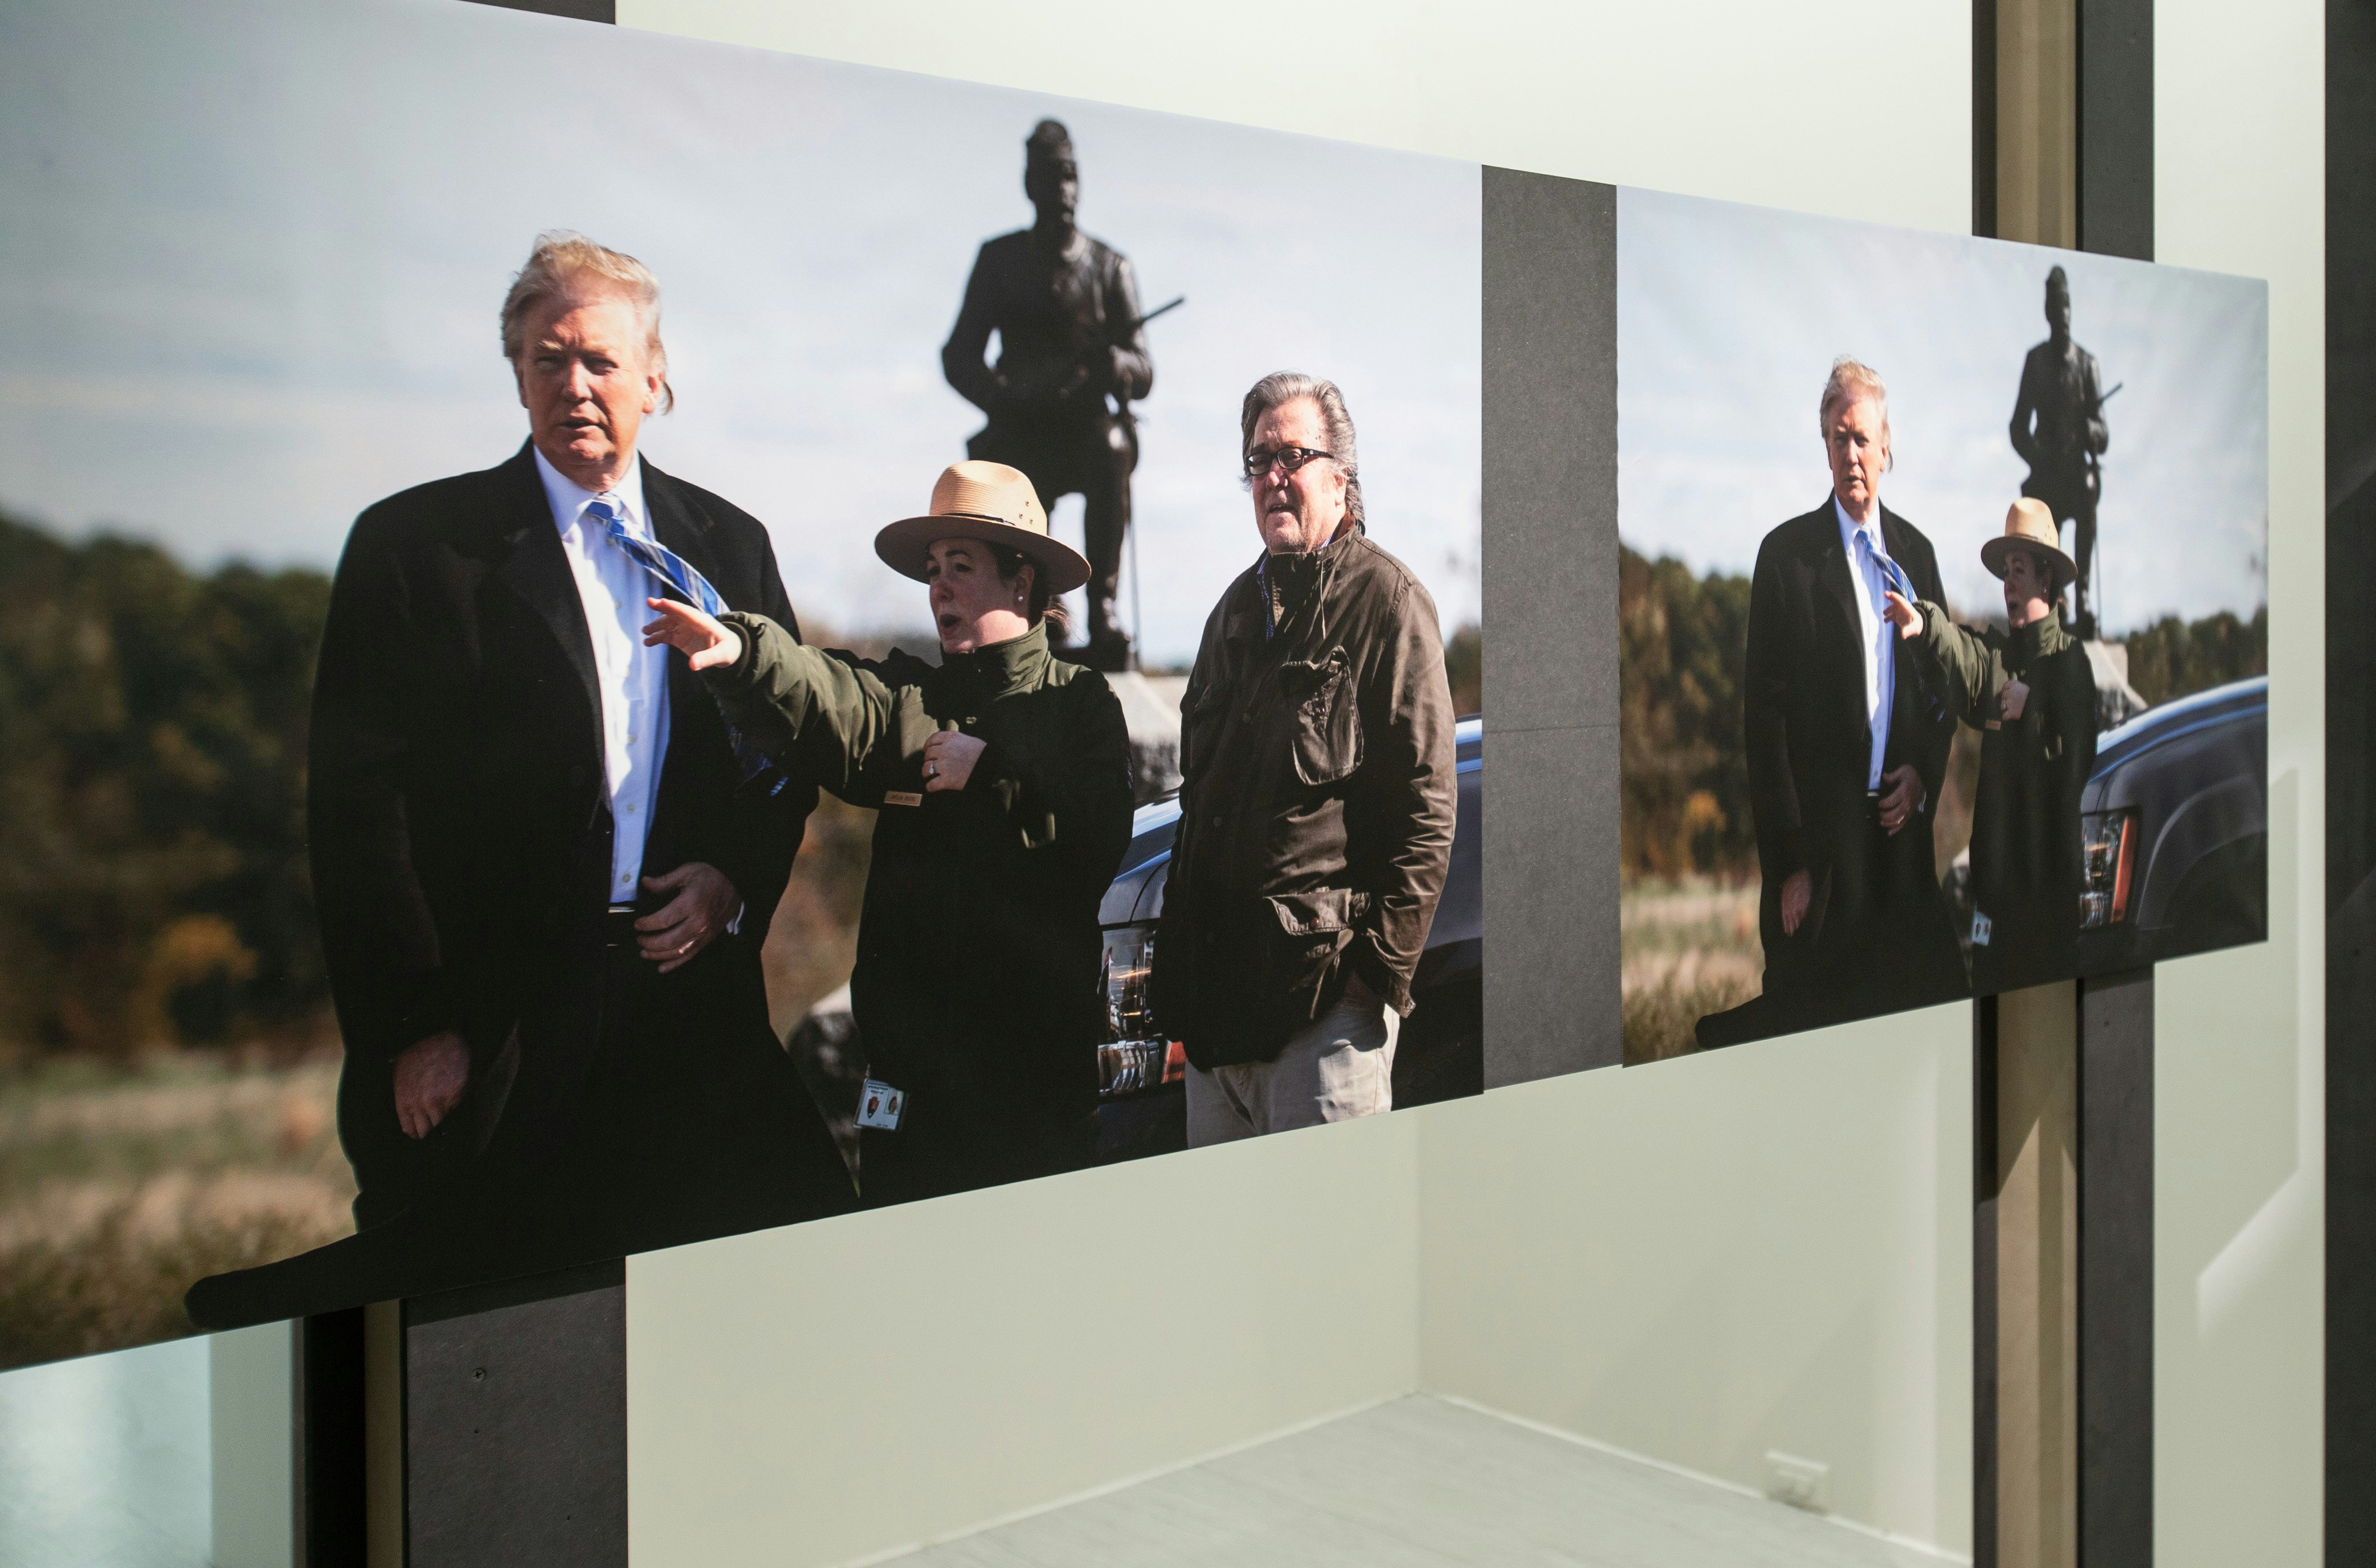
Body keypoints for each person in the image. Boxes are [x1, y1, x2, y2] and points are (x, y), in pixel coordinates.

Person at [189, 234, 848, 1326]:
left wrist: (732, 877)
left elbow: (786, 753)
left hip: (684, 1014)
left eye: (598, 360)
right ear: (516, 376)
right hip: (493, 1034)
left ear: (655, 375)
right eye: (547, 361)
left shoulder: (728, 544)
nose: (574, 386)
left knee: (758, 1302)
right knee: (485, 1344)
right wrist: (415, 1028)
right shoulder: (416, 549)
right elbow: (361, 817)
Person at [642, 463, 1134, 1203]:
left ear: (1021, 581)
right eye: (933, 571)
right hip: (906, 1104)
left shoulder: (1080, 705)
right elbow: (830, 694)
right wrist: (746, 652)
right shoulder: (914, 699)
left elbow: (1097, 836)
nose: (937, 587)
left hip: (1027, 1104)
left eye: (959, 568)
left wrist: (992, 772)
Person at [1151, 373, 1455, 1142]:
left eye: (1293, 455)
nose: (1274, 477)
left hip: (1323, 1023)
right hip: (1218, 1042)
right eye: (1259, 461)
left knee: (1329, 1258)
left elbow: (1427, 811)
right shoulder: (1229, 617)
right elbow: (1197, 816)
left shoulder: (1389, 602)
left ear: (1340, 478)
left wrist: (1373, 981)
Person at [1700, 359, 1963, 1049]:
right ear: (1825, 445)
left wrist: (1924, 778)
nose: (1853, 453)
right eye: (1840, 437)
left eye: (1864, 439)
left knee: (1921, 1038)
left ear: (1887, 451)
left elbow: (1943, 692)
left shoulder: (1920, 555)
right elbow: (1765, 726)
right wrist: (1790, 866)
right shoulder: (1786, 559)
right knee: (1814, 1053)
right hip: (1821, 863)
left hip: (1901, 853)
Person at [941, 119, 1154, 668]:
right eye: (1049, 177)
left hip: (1084, 431)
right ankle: (1041, 611)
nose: (1062, 189)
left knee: (1112, 449)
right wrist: (1004, 397)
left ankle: (1103, 608)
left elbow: (1145, 368)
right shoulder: (999, 261)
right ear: (1029, 185)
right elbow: (958, 355)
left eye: (1070, 176)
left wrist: (1115, 365)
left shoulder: (1112, 268)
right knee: (1005, 465)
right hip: (1021, 430)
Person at [1895, 499, 2101, 992]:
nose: (2008, 583)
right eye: (2005, 571)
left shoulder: (2073, 664)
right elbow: (1961, 655)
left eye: (2020, 570)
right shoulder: (1995, 657)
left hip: (2051, 908)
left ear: (2046, 579)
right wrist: (1923, 626)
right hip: (1995, 909)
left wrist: (2034, 709)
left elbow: (2079, 755)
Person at [2007, 265, 2107, 632]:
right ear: (2047, 312)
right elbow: (2018, 427)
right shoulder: (2035, 363)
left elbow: (2104, 434)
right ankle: (2054, 599)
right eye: (2055, 307)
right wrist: (2038, 459)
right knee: (2038, 507)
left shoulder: (2087, 365)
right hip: (2047, 472)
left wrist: (2090, 429)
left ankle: (2081, 595)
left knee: (2089, 490)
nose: (2061, 314)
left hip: (2076, 473)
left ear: (2071, 310)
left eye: (2066, 306)